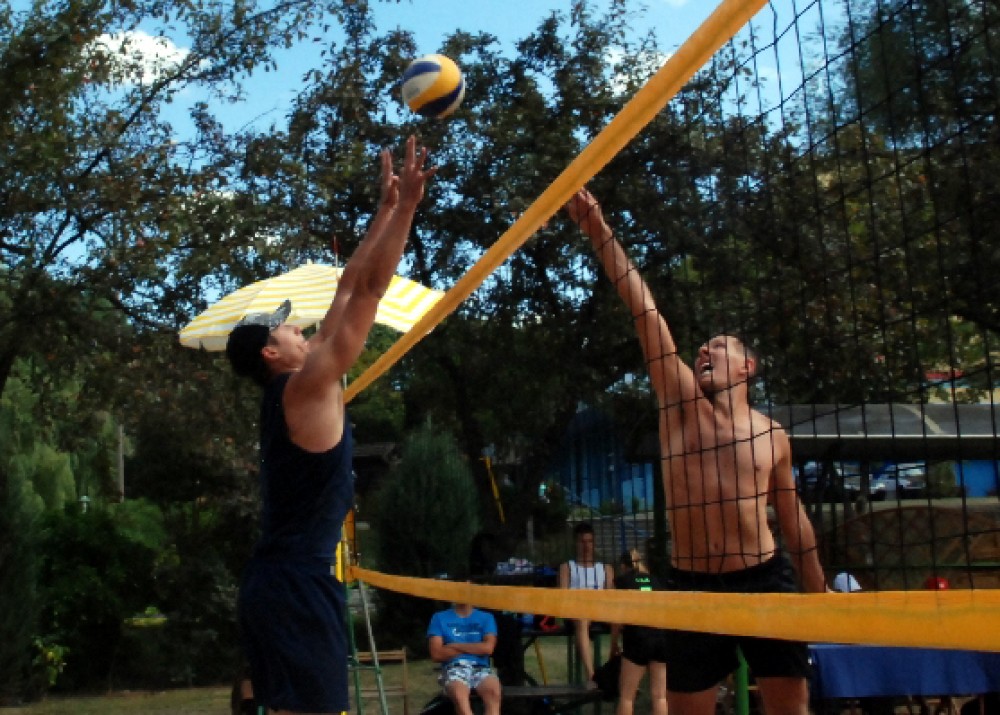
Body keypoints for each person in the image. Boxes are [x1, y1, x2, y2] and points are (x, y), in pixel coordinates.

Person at [565, 188, 828, 715]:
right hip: (691, 585)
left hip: (764, 579)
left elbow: (793, 519)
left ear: (747, 368)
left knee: (790, 707)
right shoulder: (682, 404)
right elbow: (645, 312)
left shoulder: (771, 433)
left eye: (719, 347)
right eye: (703, 346)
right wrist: (598, 230)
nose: (705, 349)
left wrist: (821, 598)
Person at [228, 136, 436, 715]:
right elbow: (369, 289)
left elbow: (348, 284)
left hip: (279, 582)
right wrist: (409, 207)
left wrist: (385, 210)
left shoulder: (298, 383)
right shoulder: (308, 385)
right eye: (285, 328)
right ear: (271, 353)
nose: (299, 328)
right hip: (296, 585)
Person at [613, 549, 669, 715]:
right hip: (660, 636)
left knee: (627, 697)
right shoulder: (656, 580)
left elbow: (616, 617)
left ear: (623, 566)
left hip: (637, 638)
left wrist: (614, 643)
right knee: (660, 696)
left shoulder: (622, 581)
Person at [559, 522, 616, 682]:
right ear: (576, 543)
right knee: (583, 620)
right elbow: (563, 596)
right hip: (577, 611)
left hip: (600, 610)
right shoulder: (567, 567)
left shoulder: (605, 568)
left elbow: (611, 595)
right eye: (582, 542)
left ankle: (616, 667)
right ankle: (591, 675)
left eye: (590, 541)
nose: (586, 546)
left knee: (622, 620)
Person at [427, 598, 502, 715]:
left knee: (493, 692)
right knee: (459, 694)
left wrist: (454, 645)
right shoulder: (439, 618)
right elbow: (436, 654)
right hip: (453, 667)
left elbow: (488, 648)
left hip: (481, 667)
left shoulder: (486, 618)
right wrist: (475, 648)